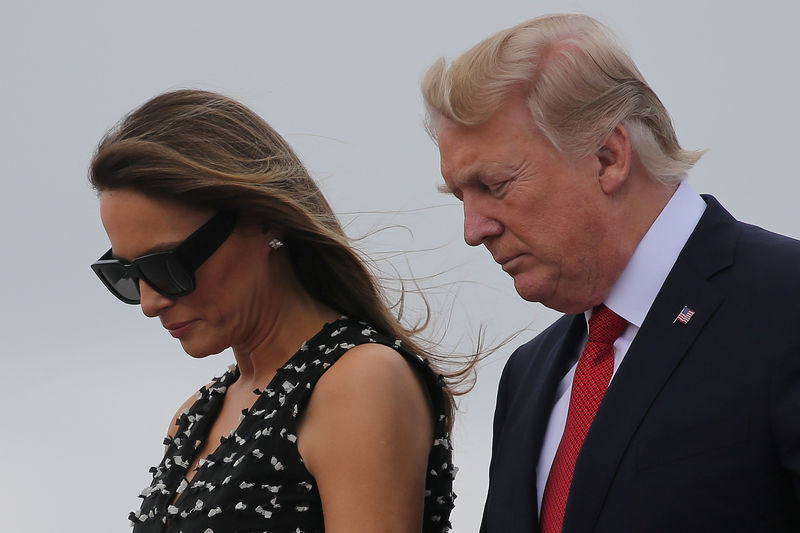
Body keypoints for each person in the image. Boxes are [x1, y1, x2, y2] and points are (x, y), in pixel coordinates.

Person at [422, 13, 800, 533]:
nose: (473, 229)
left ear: (608, 157)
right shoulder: (526, 375)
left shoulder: (785, 302)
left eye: (495, 184)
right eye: (460, 197)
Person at [88, 89, 456, 533]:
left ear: (264, 219)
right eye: (126, 274)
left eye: (167, 265)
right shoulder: (193, 418)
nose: (150, 302)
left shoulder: (359, 381)